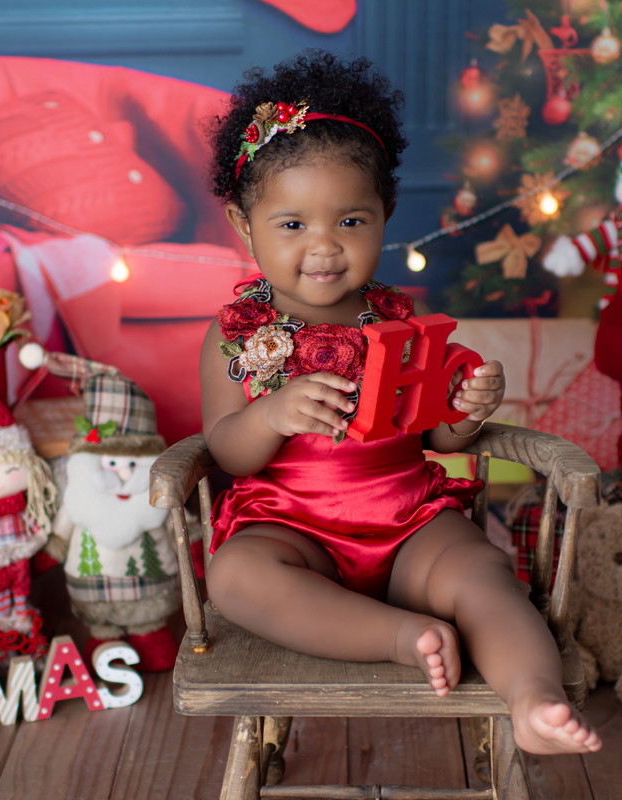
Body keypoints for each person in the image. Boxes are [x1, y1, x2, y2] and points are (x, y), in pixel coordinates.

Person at [200, 51, 601, 755]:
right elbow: (225, 448)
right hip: (294, 531)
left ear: (385, 213)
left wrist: (466, 409)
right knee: (235, 576)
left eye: (350, 221)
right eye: (292, 225)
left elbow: (440, 439)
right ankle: (399, 636)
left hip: (408, 521)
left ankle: (534, 697)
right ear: (243, 222)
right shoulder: (240, 332)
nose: (324, 248)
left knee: (482, 571)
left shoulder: (400, 321)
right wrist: (269, 414)